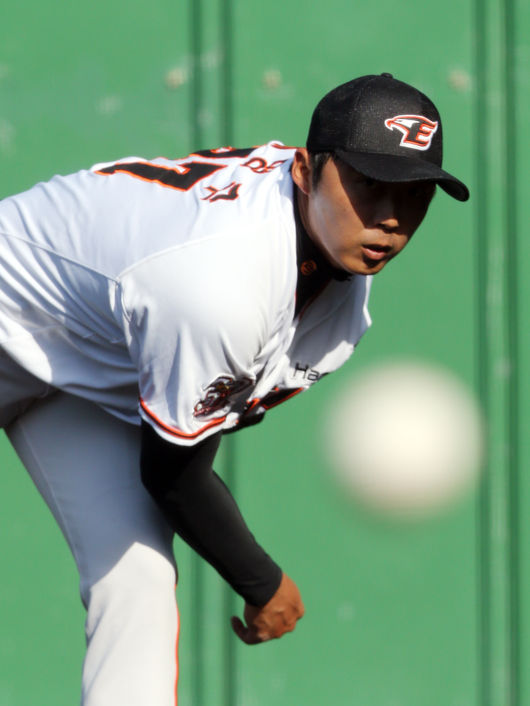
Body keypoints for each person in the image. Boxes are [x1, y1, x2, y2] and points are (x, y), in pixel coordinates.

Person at [0, 73, 468, 705]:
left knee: (137, 581)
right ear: (304, 169)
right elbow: (173, 473)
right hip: (19, 308)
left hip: (86, 353)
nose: (389, 217)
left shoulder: (320, 250)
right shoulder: (221, 283)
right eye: (368, 183)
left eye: (413, 194)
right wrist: (261, 580)